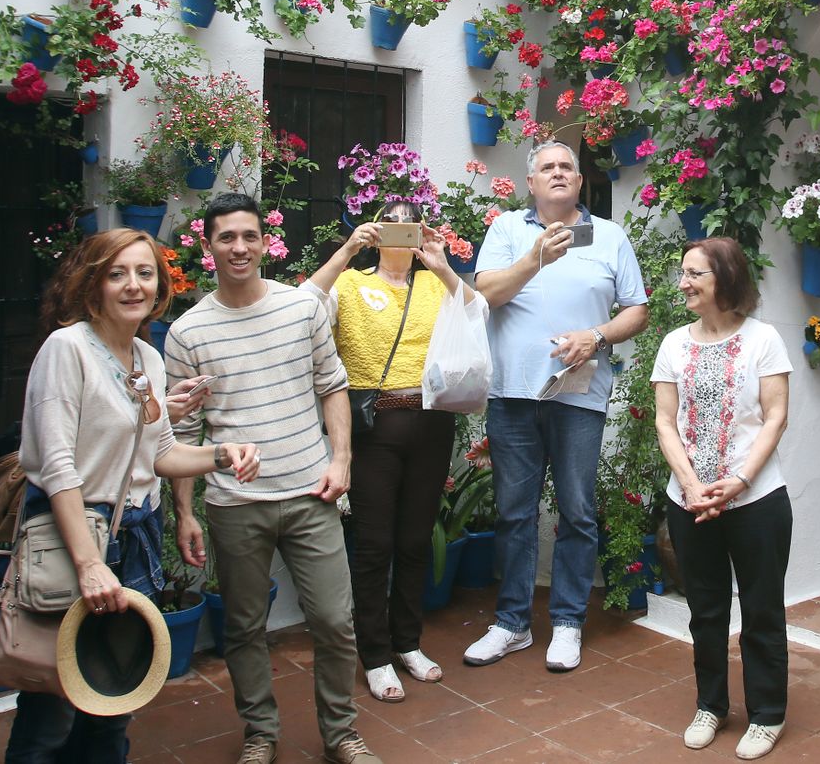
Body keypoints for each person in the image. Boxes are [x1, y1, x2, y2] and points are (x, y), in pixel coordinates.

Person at [6, 229, 260, 763]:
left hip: (134, 539)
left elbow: (161, 453)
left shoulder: (147, 357)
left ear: (160, 286)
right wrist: (88, 565)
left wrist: (222, 454)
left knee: (114, 697)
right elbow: (58, 467)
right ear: (92, 283)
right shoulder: (67, 349)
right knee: (52, 710)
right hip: (75, 536)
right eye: (116, 274)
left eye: (145, 273)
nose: (133, 285)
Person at [164, 193, 379, 764]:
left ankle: (341, 734)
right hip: (236, 504)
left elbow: (333, 385)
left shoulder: (302, 309)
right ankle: (260, 733)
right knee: (243, 627)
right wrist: (185, 512)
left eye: (249, 236)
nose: (239, 248)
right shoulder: (187, 332)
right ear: (209, 246)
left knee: (334, 621)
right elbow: (182, 432)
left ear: (266, 242)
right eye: (226, 238)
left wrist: (341, 460)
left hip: (312, 492)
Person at [463, 140, 649, 673]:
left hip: (579, 393)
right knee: (514, 512)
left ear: (581, 180)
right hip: (512, 394)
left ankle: (567, 623)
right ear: (532, 183)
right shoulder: (506, 229)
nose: (559, 173)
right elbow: (486, 293)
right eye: (548, 167)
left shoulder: (609, 235)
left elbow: (636, 309)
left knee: (578, 511)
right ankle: (512, 624)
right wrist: (536, 256)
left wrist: (596, 336)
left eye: (567, 166)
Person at [305, 202, 485, 702]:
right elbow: (306, 304)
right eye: (392, 222)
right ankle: (375, 654)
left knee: (414, 540)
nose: (401, 231)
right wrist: (347, 250)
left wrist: (442, 264)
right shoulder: (351, 283)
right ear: (378, 231)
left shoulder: (436, 284)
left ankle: (407, 642)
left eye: (411, 223)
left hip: (432, 423)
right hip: (374, 427)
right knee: (373, 544)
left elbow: (479, 314)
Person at [652, 237, 792, 761]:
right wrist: (690, 486)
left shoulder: (764, 339)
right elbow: (666, 422)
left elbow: (775, 416)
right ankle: (710, 705)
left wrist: (739, 480)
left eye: (695, 274)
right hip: (688, 500)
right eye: (683, 273)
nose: (684, 283)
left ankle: (767, 714)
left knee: (761, 609)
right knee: (705, 610)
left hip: (756, 500)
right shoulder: (673, 344)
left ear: (726, 279)